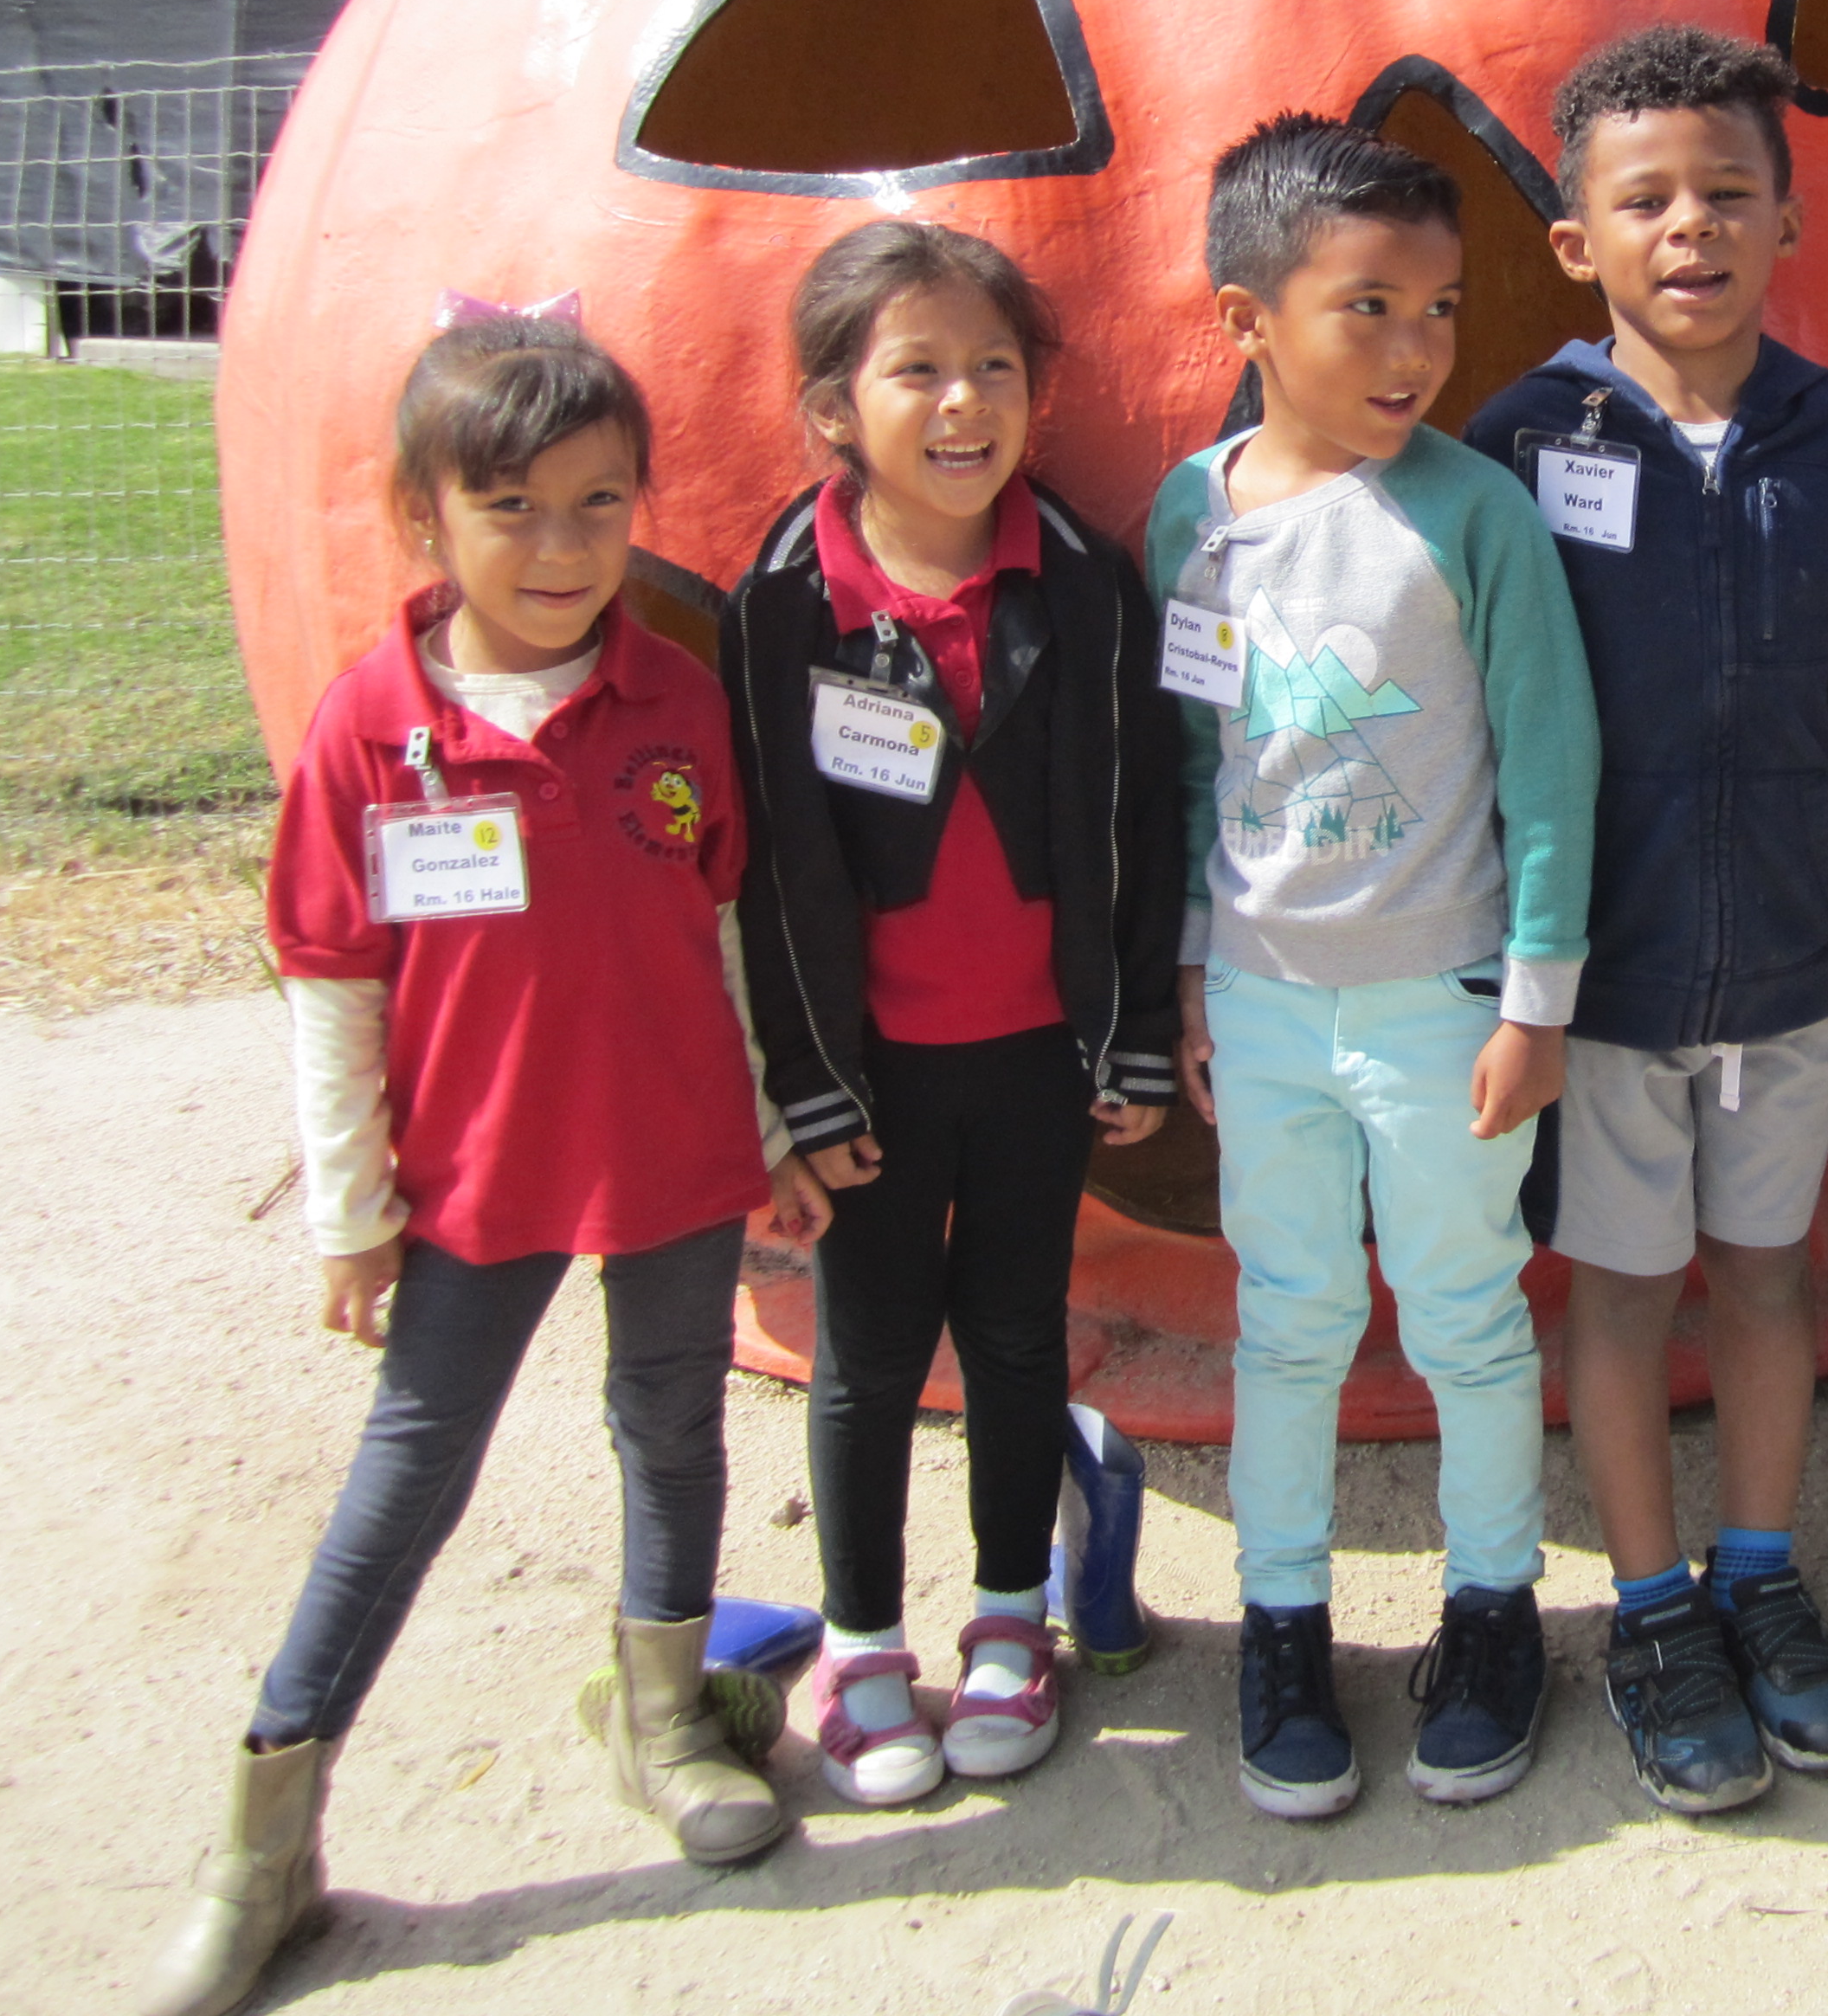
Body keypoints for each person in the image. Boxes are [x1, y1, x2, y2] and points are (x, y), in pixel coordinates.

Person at [141, 313, 831, 2016]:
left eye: (598, 504)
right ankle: (266, 1841)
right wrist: (349, 1210)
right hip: (476, 1180)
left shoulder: (676, 701)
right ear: (422, 516)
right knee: (413, 1469)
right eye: (510, 506)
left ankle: (666, 1719)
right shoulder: (370, 731)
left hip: (672, 1151)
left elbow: (726, 934)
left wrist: (766, 1131)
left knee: (671, 1427)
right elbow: (329, 983)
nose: (559, 546)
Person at [1147, 114, 1601, 1821]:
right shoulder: (1191, 515)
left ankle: (1492, 1615)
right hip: (1263, 1002)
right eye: (1370, 310)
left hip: (1444, 1003)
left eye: (1440, 308)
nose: (1417, 348)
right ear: (1246, 320)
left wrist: (1538, 1001)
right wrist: (1194, 967)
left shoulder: (1475, 515)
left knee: (1468, 1315)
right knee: (1289, 1321)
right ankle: (1282, 1626)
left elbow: (1553, 763)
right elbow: (1193, 764)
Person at [1464, 25, 1828, 1813]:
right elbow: (1493, 712)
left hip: (1786, 965)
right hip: (1612, 980)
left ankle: (1762, 1573)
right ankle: (1652, 1608)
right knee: (1627, 1292)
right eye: (1646, 200)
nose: (1691, 227)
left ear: (1791, 220)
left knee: (1770, 1276)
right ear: (1578, 243)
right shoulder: (1518, 441)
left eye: (1729, 193)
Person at [722, 219, 1185, 1807]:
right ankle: (862, 1644)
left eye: (994, 366)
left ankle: (1005, 1619)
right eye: (917, 369)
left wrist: (1129, 1028)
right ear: (833, 409)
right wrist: (807, 1085)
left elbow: (1141, 816)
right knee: (867, 1352)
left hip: (1036, 1058)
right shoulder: (786, 601)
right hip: (874, 1076)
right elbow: (769, 865)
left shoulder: (1085, 584)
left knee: (1013, 1332)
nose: (964, 400)